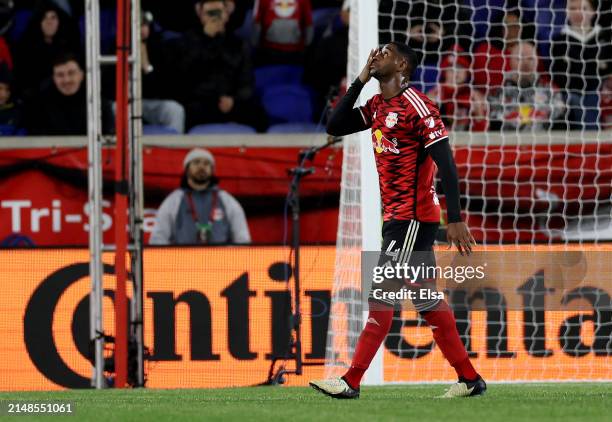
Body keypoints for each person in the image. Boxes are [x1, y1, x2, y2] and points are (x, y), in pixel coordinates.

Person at [309, 43, 484, 399]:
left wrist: (455, 219)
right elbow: (336, 123)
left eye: (384, 53)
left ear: (402, 64)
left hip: (412, 218)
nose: (376, 56)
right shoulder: (376, 106)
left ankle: (351, 381)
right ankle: (469, 378)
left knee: (382, 295)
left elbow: (447, 165)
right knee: (426, 301)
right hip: (397, 218)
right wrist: (360, 79)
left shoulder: (418, 106)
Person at [174, 0, 268, 132]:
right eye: (209, 13)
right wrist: (207, 39)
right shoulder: (187, 43)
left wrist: (233, 101)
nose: (214, 17)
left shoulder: (238, 44)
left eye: (219, 12)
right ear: (200, 16)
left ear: (227, 15)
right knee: (186, 111)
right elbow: (183, 78)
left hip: (231, 103)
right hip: (200, 104)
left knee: (258, 113)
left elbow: (247, 83)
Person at [150, 148, 251, 245]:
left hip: (221, 261)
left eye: (206, 164)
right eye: (196, 162)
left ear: (212, 170)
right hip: (183, 261)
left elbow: (242, 239)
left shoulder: (227, 200)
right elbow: (158, 239)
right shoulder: (173, 201)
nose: (201, 167)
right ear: (186, 168)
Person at [550, 0, 612, 130]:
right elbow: (558, 75)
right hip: (570, 94)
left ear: (593, 11)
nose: (578, 12)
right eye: (573, 8)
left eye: (584, 8)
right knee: (575, 101)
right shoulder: (559, 41)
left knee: (593, 98)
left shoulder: (605, 38)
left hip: (601, 93)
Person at [23, 52, 113, 135]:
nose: (66, 80)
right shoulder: (38, 106)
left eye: (71, 73)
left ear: (81, 75)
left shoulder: (98, 104)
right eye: (60, 75)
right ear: (54, 78)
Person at [488, 41, 566, 131]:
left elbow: (560, 119)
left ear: (537, 61)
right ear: (510, 61)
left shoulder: (550, 90)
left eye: (530, 59)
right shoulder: (498, 92)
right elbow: (494, 123)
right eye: (519, 59)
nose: (525, 63)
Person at [14, 2, 81, 99]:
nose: (49, 22)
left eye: (53, 18)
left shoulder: (69, 47)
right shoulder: (26, 49)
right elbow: (24, 82)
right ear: (38, 22)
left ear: (60, 21)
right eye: (44, 18)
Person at [140, 11, 185, 133]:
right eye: (138, 25)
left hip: (153, 103)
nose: (141, 29)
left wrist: (146, 66)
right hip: (126, 104)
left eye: (144, 25)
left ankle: (175, 150)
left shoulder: (159, 48)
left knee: (175, 110)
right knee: (113, 109)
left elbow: (163, 87)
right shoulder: (116, 48)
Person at [427, 45, 486, 131]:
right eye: (451, 68)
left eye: (460, 67)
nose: (456, 72)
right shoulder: (434, 94)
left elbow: (483, 132)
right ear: (445, 72)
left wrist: (479, 113)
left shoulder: (474, 96)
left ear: (467, 72)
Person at [252, 0, 313, 65]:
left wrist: (254, 44)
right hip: (271, 49)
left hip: (293, 50)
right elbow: (257, 22)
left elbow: (308, 23)